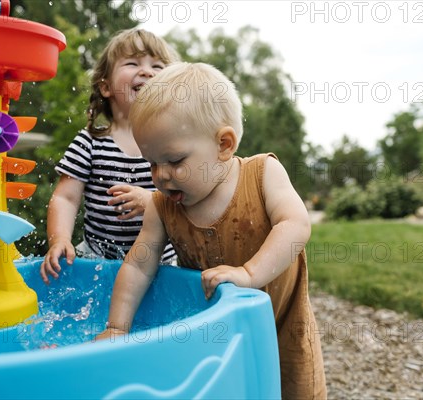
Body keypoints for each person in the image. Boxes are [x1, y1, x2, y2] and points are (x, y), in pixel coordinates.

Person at [96, 62, 327, 399]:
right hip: (214, 334)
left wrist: (249, 273)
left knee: (292, 389)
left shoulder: (262, 175)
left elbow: (295, 225)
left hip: (283, 327)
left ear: (224, 145)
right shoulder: (162, 207)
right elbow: (137, 266)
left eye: (174, 161)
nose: (160, 176)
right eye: (152, 163)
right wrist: (117, 327)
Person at [40, 29, 177, 284]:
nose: (147, 71)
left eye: (158, 66)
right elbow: (66, 198)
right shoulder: (90, 142)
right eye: (133, 63)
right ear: (105, 87)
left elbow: (188, 200)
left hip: (162, 265)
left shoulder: (173, 146)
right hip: (97, 262)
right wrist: (59, 239)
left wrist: (154, 202)